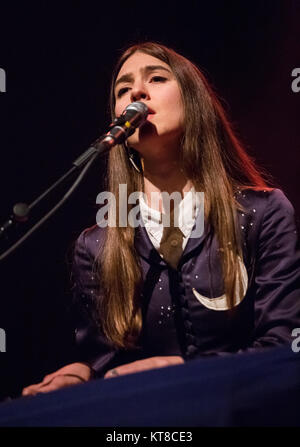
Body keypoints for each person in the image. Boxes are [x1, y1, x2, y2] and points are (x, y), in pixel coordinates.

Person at [22, 42, 300, 396]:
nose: (136, 91)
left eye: (156, 78)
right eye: (123, 89)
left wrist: (186, 371)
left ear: (194, 101)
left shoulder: (263, 214)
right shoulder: (95, 247)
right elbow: (108, 362)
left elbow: (282, 346)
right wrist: (82, 376)